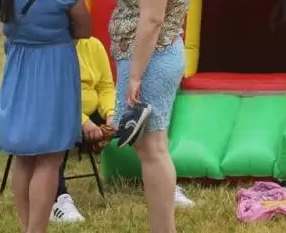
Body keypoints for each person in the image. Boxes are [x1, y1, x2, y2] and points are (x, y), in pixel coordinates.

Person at [94, 0, 194, 233]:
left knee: (151, 151)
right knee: (156, 147)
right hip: (167, 53)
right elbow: (149, 2)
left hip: (151, 60)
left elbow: (151, 20)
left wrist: (135, 76)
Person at [0, 0, 91, 233]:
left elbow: (7, 25)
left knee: (23, 157)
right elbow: (85, 28)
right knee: (50, 158)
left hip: (18, 70)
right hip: (54, 72)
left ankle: (27, 227)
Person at [51, 37, 194, 222]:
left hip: (95, 111)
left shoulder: (93, 45)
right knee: (52, 131)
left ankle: (163, 187)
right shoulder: (53, 50)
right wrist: (82, 121)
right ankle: (57, 199)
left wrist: (111, 116)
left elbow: (105, 87)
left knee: (140, 122)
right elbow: (54, 95)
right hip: (61, 113)